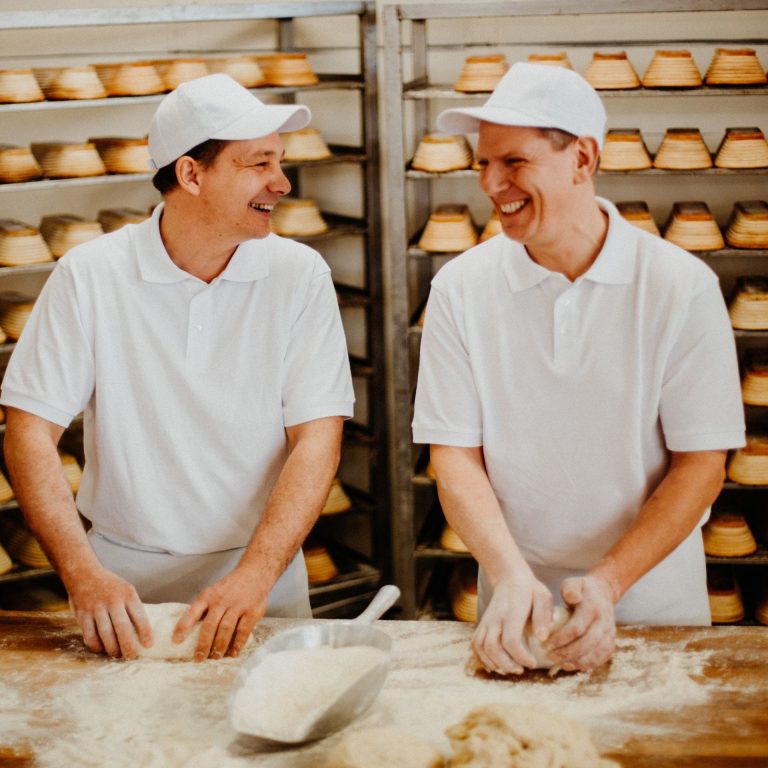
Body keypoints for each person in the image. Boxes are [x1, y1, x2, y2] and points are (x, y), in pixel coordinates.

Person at [1, 74, 354, 661]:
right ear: (191, 174)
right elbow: (29, 433)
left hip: (262, 573)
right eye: (258, 163)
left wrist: (257, 574)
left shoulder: (300, 274)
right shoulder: (91, 275)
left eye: (280, 160)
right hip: (124, 582)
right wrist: (81, 574)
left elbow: (318, 437)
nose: (282, 182)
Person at [412, 63, 745, 675]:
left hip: (650, 601)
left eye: (513, 162)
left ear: (583, 160)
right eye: (482, 163)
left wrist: (609, 584)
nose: (491, 182)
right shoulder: (460, 288)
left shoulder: (678, 287)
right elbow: (454, 455)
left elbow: (701, 466)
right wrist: (510, 576)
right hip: (516, 605)